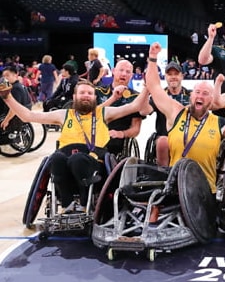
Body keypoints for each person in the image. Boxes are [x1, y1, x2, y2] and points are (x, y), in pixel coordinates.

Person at [0, 80, 148, 213]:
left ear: (95, 98)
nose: (86, 96)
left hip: (93, 160)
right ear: (75, 97)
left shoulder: (103, 113)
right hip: (65, 157)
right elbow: (28, 116)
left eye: (90, 93)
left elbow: (134, 106)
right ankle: (67, 203)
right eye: (82, 93)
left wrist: (148, 87)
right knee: (56, 158)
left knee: (77, 159)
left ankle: (84, 201)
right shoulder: (64, 115)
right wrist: (7, 97)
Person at [145, 43, 225, 196]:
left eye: (205, 93)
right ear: (191, 96)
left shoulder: (219, 123)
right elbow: (154, 86)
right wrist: (152, 58)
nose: (200, 96)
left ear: (211, 101)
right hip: (176, 187)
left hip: (204, 192)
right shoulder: (177, 112)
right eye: (197, 92)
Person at [140, 61, 191, 166]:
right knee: (163, 141)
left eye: (176, 74)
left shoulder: (191, 95)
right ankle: (163, 174)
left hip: (187, 136)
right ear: (165, 77)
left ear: (182, 76)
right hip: (164, 137)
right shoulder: (159, 95)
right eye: (170, 74)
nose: (173, 77)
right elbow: (144, 111)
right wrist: (147, 89)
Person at [94, 59, 144, 156]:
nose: (124, 74)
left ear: (131, 76)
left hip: (117, 138)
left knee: (112, 142)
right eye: (121, 70)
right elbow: (90, 116)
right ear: (113, 71)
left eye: (128, 72)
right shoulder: (98, 91)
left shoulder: (136, 97)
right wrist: (113, 98)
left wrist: (121, 133)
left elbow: (136, 129)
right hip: (95, 132)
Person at [0, 66, 32, 142]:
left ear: (15, 75)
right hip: (22, 112)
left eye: (7, 75)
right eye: (4, 76)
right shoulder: (16, 85)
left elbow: (14, 109)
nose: (5, 78)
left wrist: (6, 120)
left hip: (17, 116)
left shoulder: (16, 88)